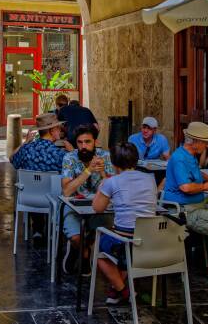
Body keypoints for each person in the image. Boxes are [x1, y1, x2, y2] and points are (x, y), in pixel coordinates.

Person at [162, 122, 208, 282]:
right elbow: (186, 187)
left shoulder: (189, 156)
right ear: (196, 142)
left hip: (195, 206)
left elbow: (195, 174)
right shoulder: (180, 158)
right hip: (184, 210)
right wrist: (206, 186)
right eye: (205, 142)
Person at [93, 142, 157, 304]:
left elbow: (97, 208)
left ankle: (124, 291)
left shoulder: (112, 182)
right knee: (120, 245)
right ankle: (116, 290)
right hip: (150, 239)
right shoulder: (150, 179)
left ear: (113, 164)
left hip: (125, 240)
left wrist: (102, 186)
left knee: (99, 251)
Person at [61, 123, 115, 274]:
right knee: (76, 237)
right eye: (80, 142)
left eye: (87, 142)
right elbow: (66, 191)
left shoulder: (106, 156)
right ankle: (84, 253)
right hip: (74, 206)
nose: (83, 146)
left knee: (108, 233)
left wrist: (103, 173)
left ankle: (84, 247)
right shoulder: (69, 158)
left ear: (95, 143)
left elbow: (114, 189)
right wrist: (88, 170)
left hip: (100, 207)